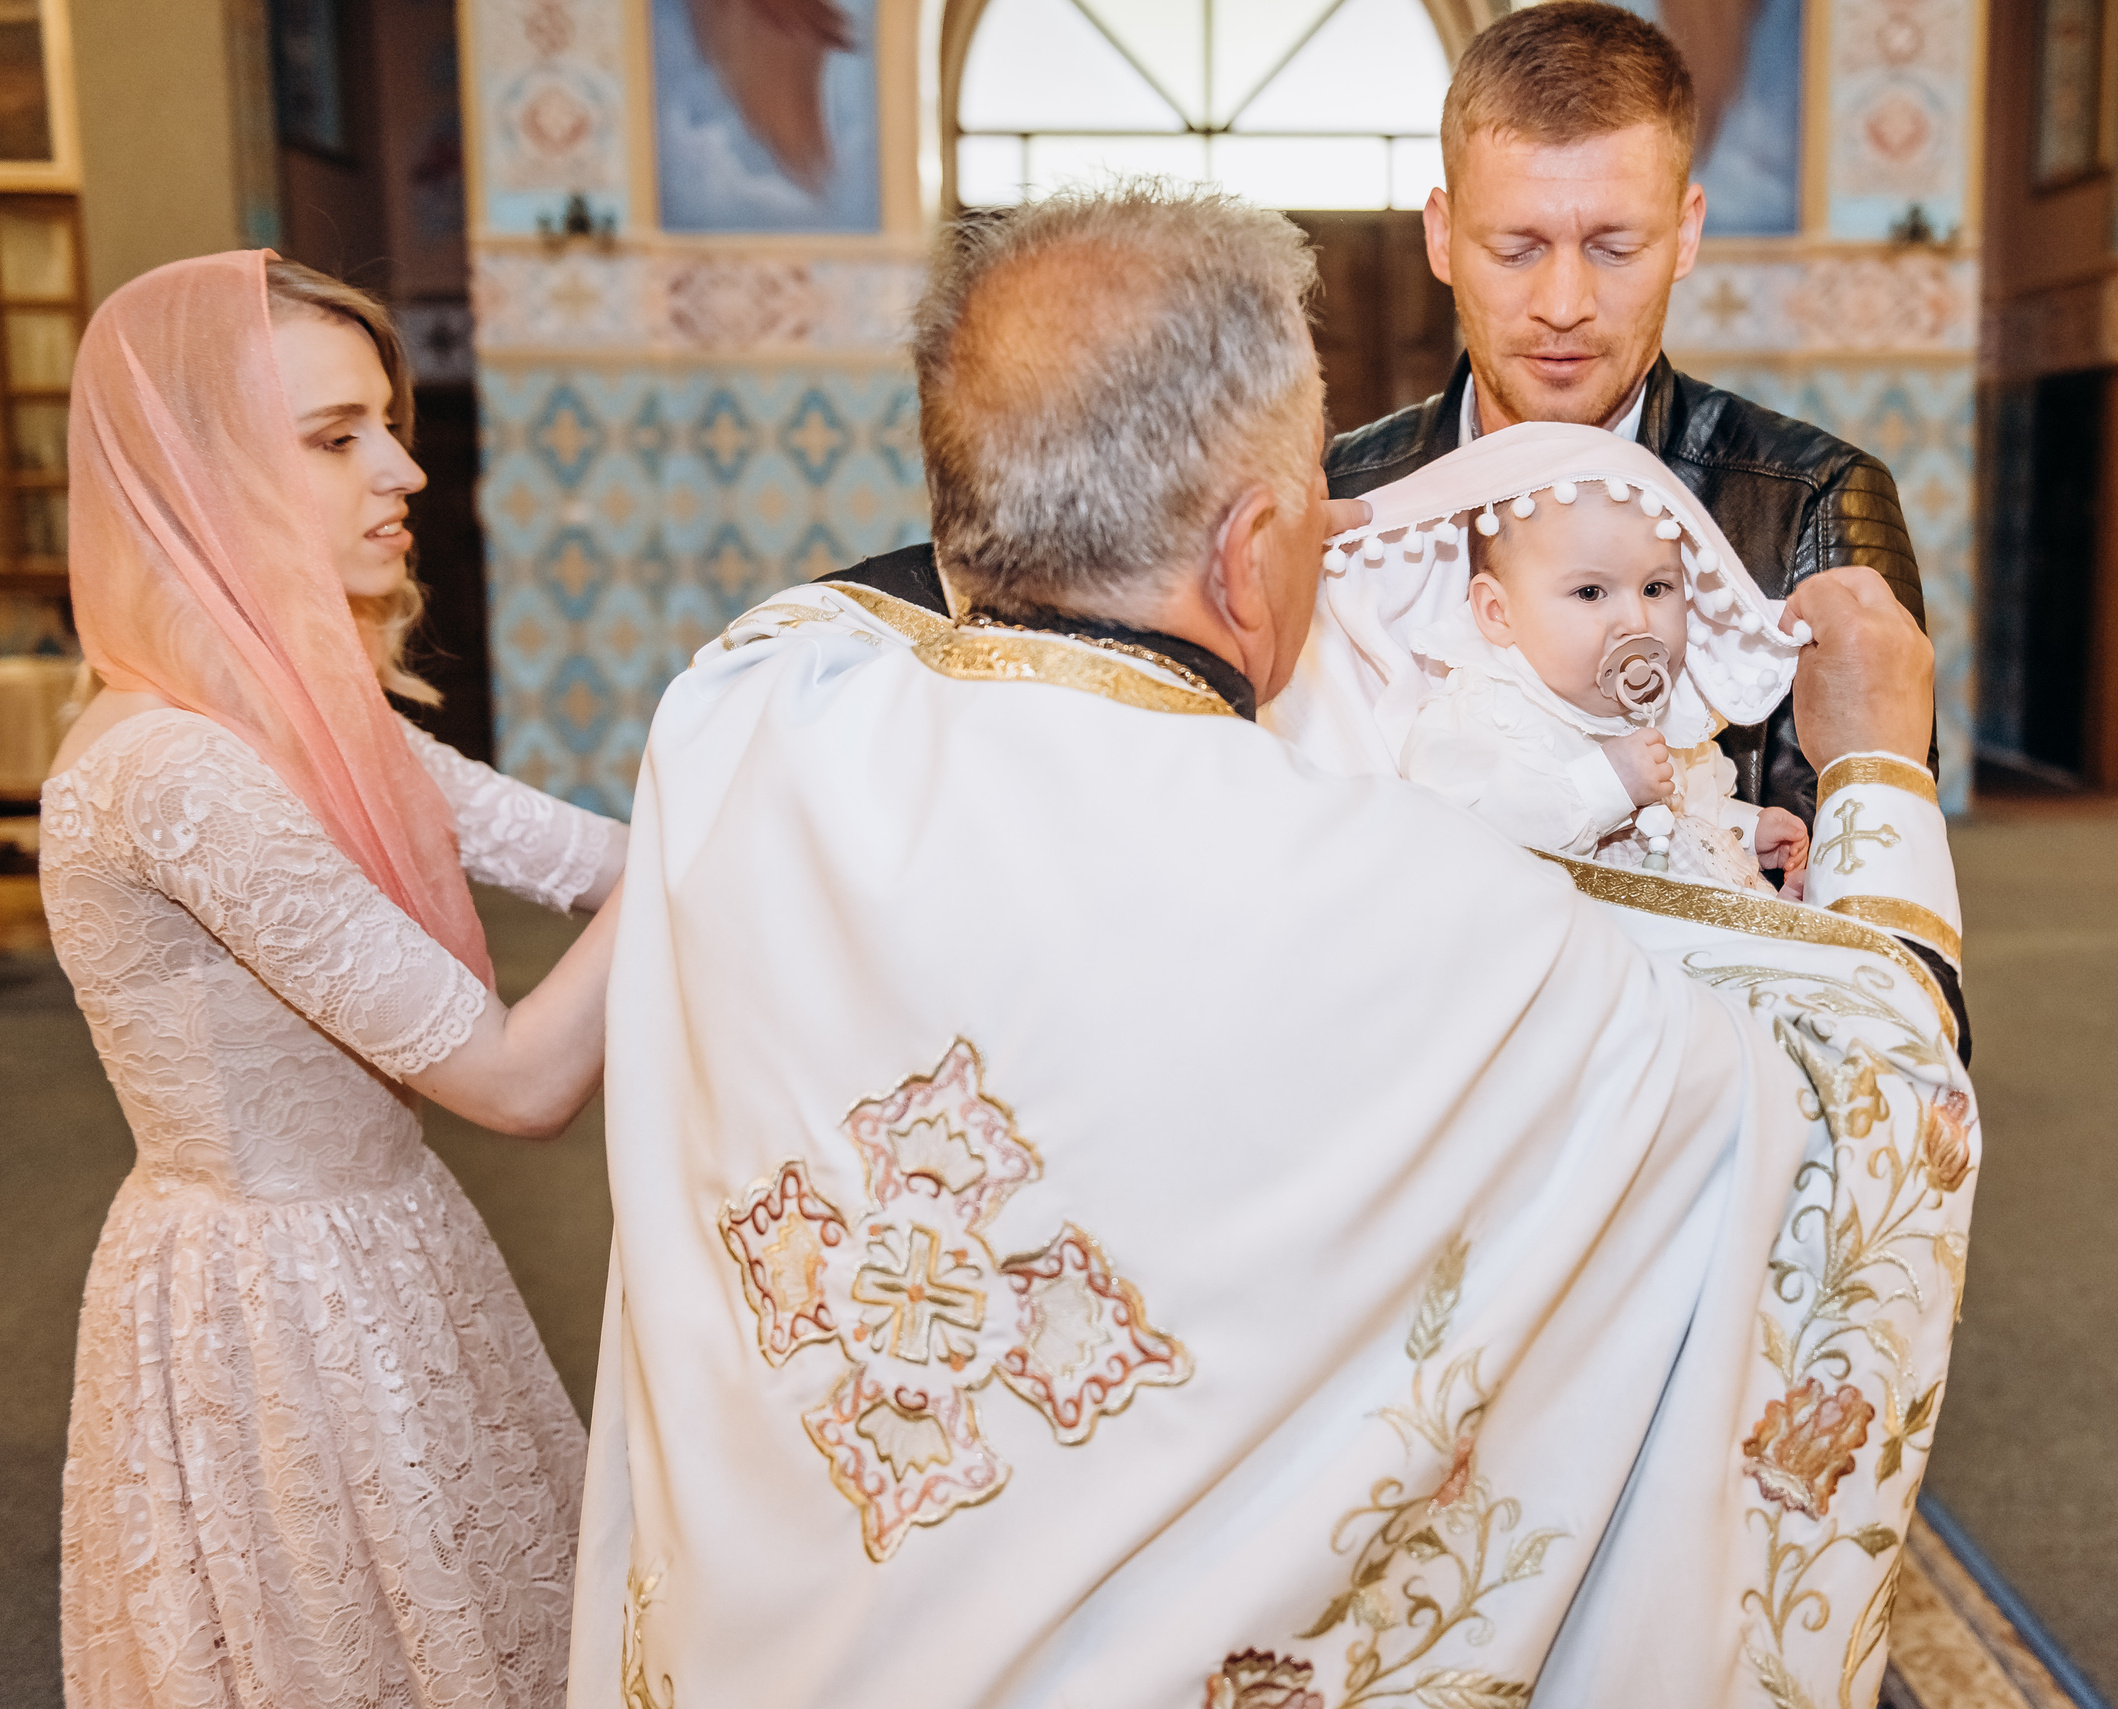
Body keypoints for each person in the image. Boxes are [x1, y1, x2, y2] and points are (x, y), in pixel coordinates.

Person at [568, 183, 1972, 1709]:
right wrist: (1878, 769)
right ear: (1250, 554)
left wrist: (1168, 495)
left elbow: (862, 600)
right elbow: (1865, 1116)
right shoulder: (1417, 908)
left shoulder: (752, 721)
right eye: (1308, 493)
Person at [47, 252, 627, 1709]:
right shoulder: (181, 770)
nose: (403, 469)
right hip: (278, 1297)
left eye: (383, 422)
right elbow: (515, 1078)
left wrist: (714, 818)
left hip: (387, 1243)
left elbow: (597, 863)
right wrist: (730, 794)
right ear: (197, 477)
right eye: (333, 438)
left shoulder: (320, 725)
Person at [1324, 1, 1930, 839]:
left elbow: (1864, 902)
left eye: (1615, 248)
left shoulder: (1813, 504)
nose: (1565, 306)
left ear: (1684, 237)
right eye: (1516, 250)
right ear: (1442, 236)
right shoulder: (1338, 501)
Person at [1354, 423, 1810, 893]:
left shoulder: (1667, 717)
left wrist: (1748, 832)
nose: (1636, 620)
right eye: (1590, 592)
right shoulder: (1482, 716)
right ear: (1497, 612)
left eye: (1656, 588)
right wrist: (1606, 785)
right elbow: (1470, 839)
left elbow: (1688, 816)